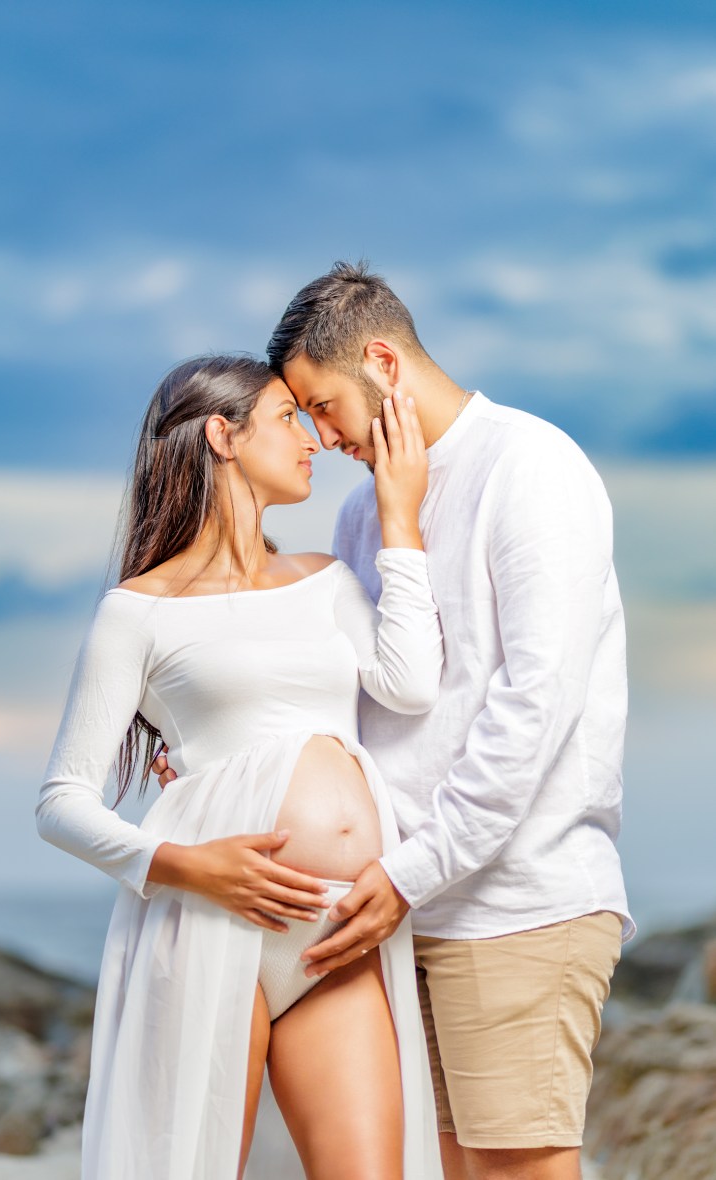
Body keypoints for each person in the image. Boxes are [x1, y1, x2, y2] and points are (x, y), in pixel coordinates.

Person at [262, 262, 635, 1180]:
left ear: (383, 362)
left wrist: (409, 870)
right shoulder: (361, 514)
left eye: (323, 406)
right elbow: (363, 693)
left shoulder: (531, 466)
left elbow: (531, 706)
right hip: (405, 913)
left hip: (517, 905)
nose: (320, 435)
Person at [36, 354, 445, 1180]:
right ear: (222, 435)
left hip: (332, 933)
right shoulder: (137, 612)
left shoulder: (325, 580)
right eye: (286, 419)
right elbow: (61, 801)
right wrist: (186, 865)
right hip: (210, 925)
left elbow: (409, 684)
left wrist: (399, 523)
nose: (310, 441)